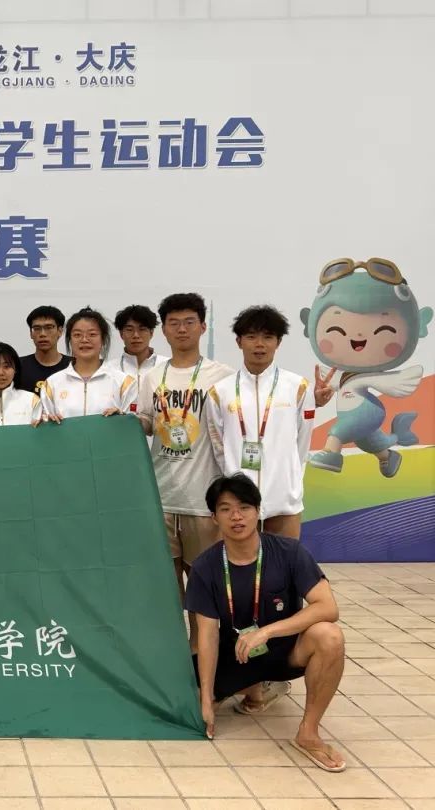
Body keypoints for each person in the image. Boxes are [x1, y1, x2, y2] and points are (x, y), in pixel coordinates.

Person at [188, 475, 346, 772]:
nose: (236, 516)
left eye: (244, 507)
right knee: (190, 708)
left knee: (330, 636)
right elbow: (207, 637)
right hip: (236, 655)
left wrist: (267, 632)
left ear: (258, 511)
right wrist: (206, 700)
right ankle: (254, 691)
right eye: (225, 509)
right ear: (214, 518)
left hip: (285, 651)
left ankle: (308, 733)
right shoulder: (205, 567)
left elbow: (328, 607)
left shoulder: (289, 552)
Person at [135, 293, 234, 649]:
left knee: (203, 581)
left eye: (189, 322)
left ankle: (201, 650)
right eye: (173, 323)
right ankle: (175, 652)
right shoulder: (151, 377)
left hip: (203, 497)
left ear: (203, 326)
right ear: (163, 330)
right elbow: (147, 423)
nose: (181, 329)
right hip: (161, 495)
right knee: (166, 582)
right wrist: (125, 421)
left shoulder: (222, 377)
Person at [207, 306, 315, 539]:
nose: (259, 344)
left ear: (278, 342)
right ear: (239, 341)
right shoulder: (220, 391)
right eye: (251, 337)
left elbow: (303, 442)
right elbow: (218, 445)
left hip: (284, 498)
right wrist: (233, 475)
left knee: (286, 560)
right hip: (239, 501)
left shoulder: (298, 387)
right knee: (241, 561)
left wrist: (290, 479)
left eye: (268, 337)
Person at [42, 307, 137, 419]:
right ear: (70, 340)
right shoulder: (52, 384)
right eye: (77, 335)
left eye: (92, 334)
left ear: (103, 339)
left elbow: (133, 423)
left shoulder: (124, 383)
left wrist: (122, 418)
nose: (84, 340)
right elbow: (44, 424)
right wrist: (47, 421)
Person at [105, 304, 169, 393]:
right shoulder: (108, 369)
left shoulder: (167, 366)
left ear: (151, 333)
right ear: (121, 334)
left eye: (142, 329)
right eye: (129, 330)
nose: (136, 335)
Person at [18, 305, 70, 394]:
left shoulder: (74, 366)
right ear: (31, 333)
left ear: (60, 331)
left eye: (49, 327)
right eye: (37, 328)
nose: (42, 334)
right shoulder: (17, 367)